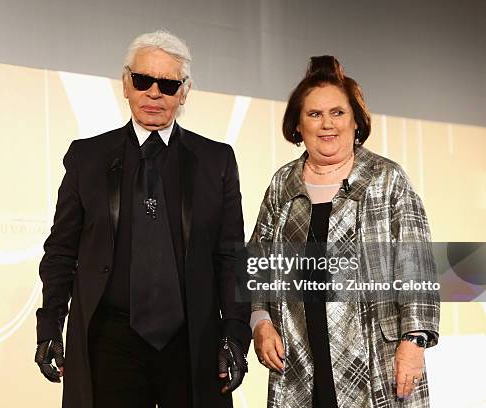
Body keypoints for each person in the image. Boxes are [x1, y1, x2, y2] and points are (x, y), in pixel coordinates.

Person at [34, 30, 251, 408]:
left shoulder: (216, 161)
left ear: (183, 92)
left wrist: (234, 333)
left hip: (191, 343)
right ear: (125, 84)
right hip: (109, 341)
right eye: (143, 80)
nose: (154, 92)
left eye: (167, 84)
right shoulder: (87, 158)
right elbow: (61, 251)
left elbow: (231, 257)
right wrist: (49, 326)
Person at [250, 56, 439, 407]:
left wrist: (414, 341)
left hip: (376, 362)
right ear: (298, 126)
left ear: (356, 121)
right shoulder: (283, 184)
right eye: (314, 114)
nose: (327, 125)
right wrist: (260, 322)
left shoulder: (386, 179)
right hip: (299, 361)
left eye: (337, 113)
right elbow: (258, 261)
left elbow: (418, 268)